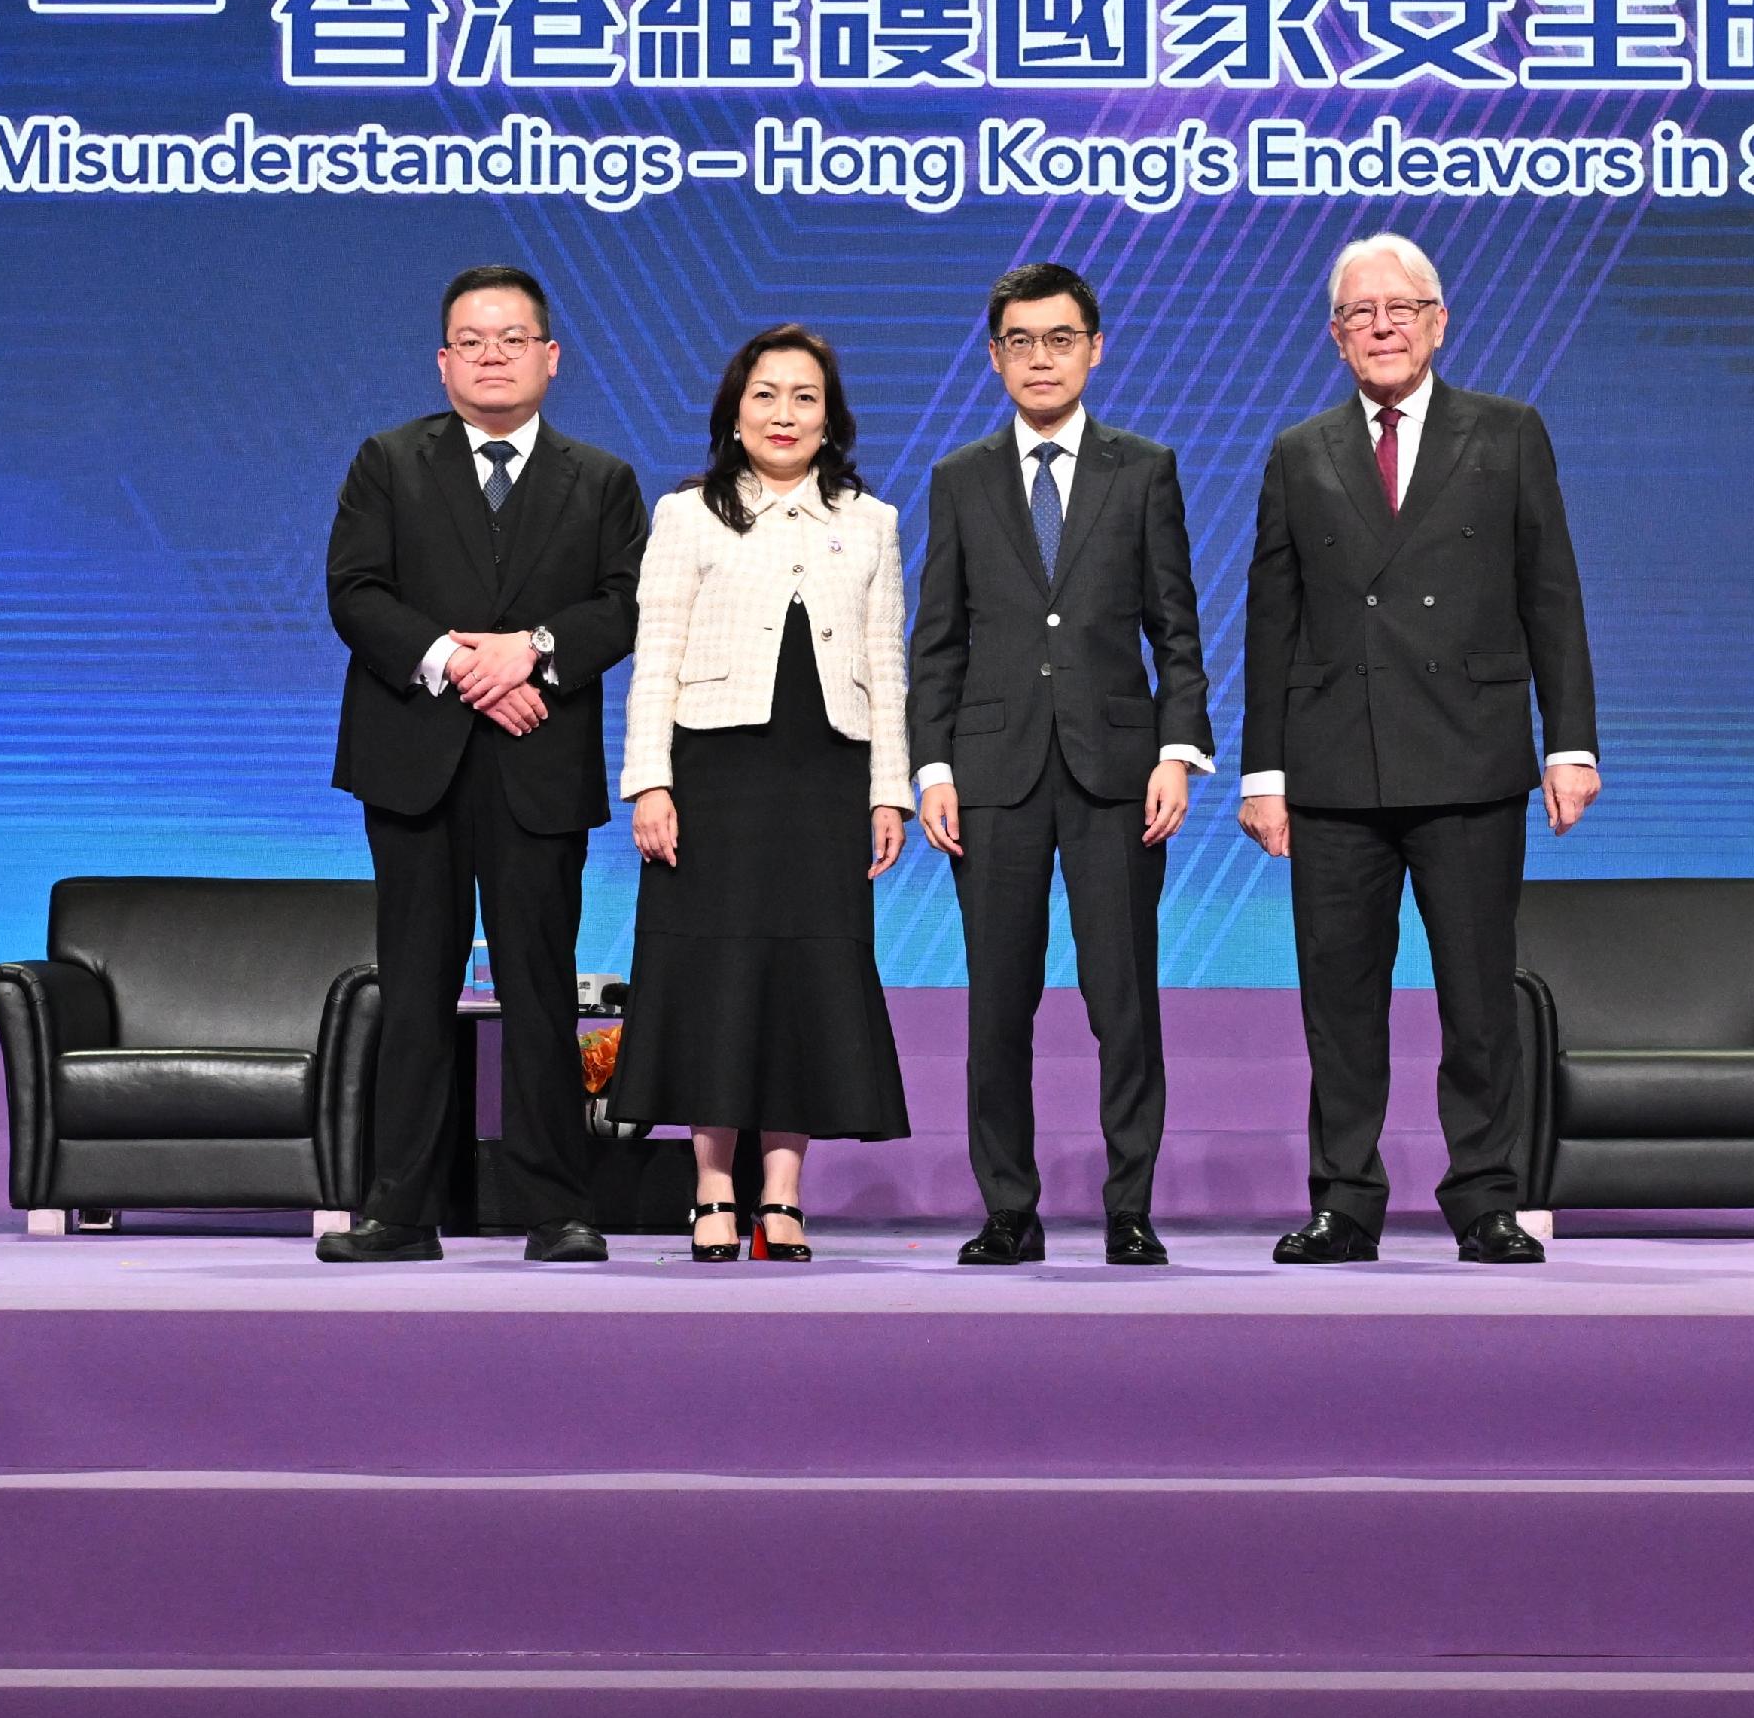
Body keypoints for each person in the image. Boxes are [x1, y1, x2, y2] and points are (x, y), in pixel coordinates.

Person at [1237, 233, 1599, 1265]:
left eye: (1403, 308)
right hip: (1335, 765)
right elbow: (1273, 619)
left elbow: (1552, 598)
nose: (1383, 325)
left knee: (1478, 996)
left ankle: (1485, 1195)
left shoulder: (1508, 433)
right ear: (1335, 336)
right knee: (1338, 1000)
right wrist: (1266, 771)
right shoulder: (1299, 452)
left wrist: (1567, 741)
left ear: (1440, 322)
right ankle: (1344, 1199)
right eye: (1361, 313)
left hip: (1471, 753)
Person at [319, 264, 648, 1264]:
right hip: (413, 763)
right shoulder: (389, 460)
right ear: (443, 360)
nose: (492, 354)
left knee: (542, 989)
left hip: (536, 762)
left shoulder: (599, 480)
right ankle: (401, 1208)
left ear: (550, 358)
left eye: (512, 338)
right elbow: (356, 591)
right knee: (414, 988)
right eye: (471, 339)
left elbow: (625, 602)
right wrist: (463, 662)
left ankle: (556, 1208)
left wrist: (533, 651)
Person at [910, 260, 1213, 1268]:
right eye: (1020, 342)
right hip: (990, 774)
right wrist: (931, 767)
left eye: (1060, 339)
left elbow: (1176, 629)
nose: (1041, 359)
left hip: (1117, 772)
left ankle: (1130, 1206)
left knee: (1122, 1000)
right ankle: (1008, 1210)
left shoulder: (1144, 468)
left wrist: (1178, 752)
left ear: (1095, 347)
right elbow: (937, 640)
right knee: (998, 1003)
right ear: (994, 357)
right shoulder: (958, 478)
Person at [611, 326, 913, 1261]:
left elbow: (886, 665)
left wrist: (889, 789)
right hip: (713, 777)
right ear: (734, 416)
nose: (785, 414)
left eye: (805, 398)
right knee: (715, 972)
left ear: (831, 420)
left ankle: (782, 1191)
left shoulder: (871, 520)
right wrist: (649, 782)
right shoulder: (686, 514)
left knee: (807, 975)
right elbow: (652, 659)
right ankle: (711, 1187)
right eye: (766, 396)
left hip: (825, 774)